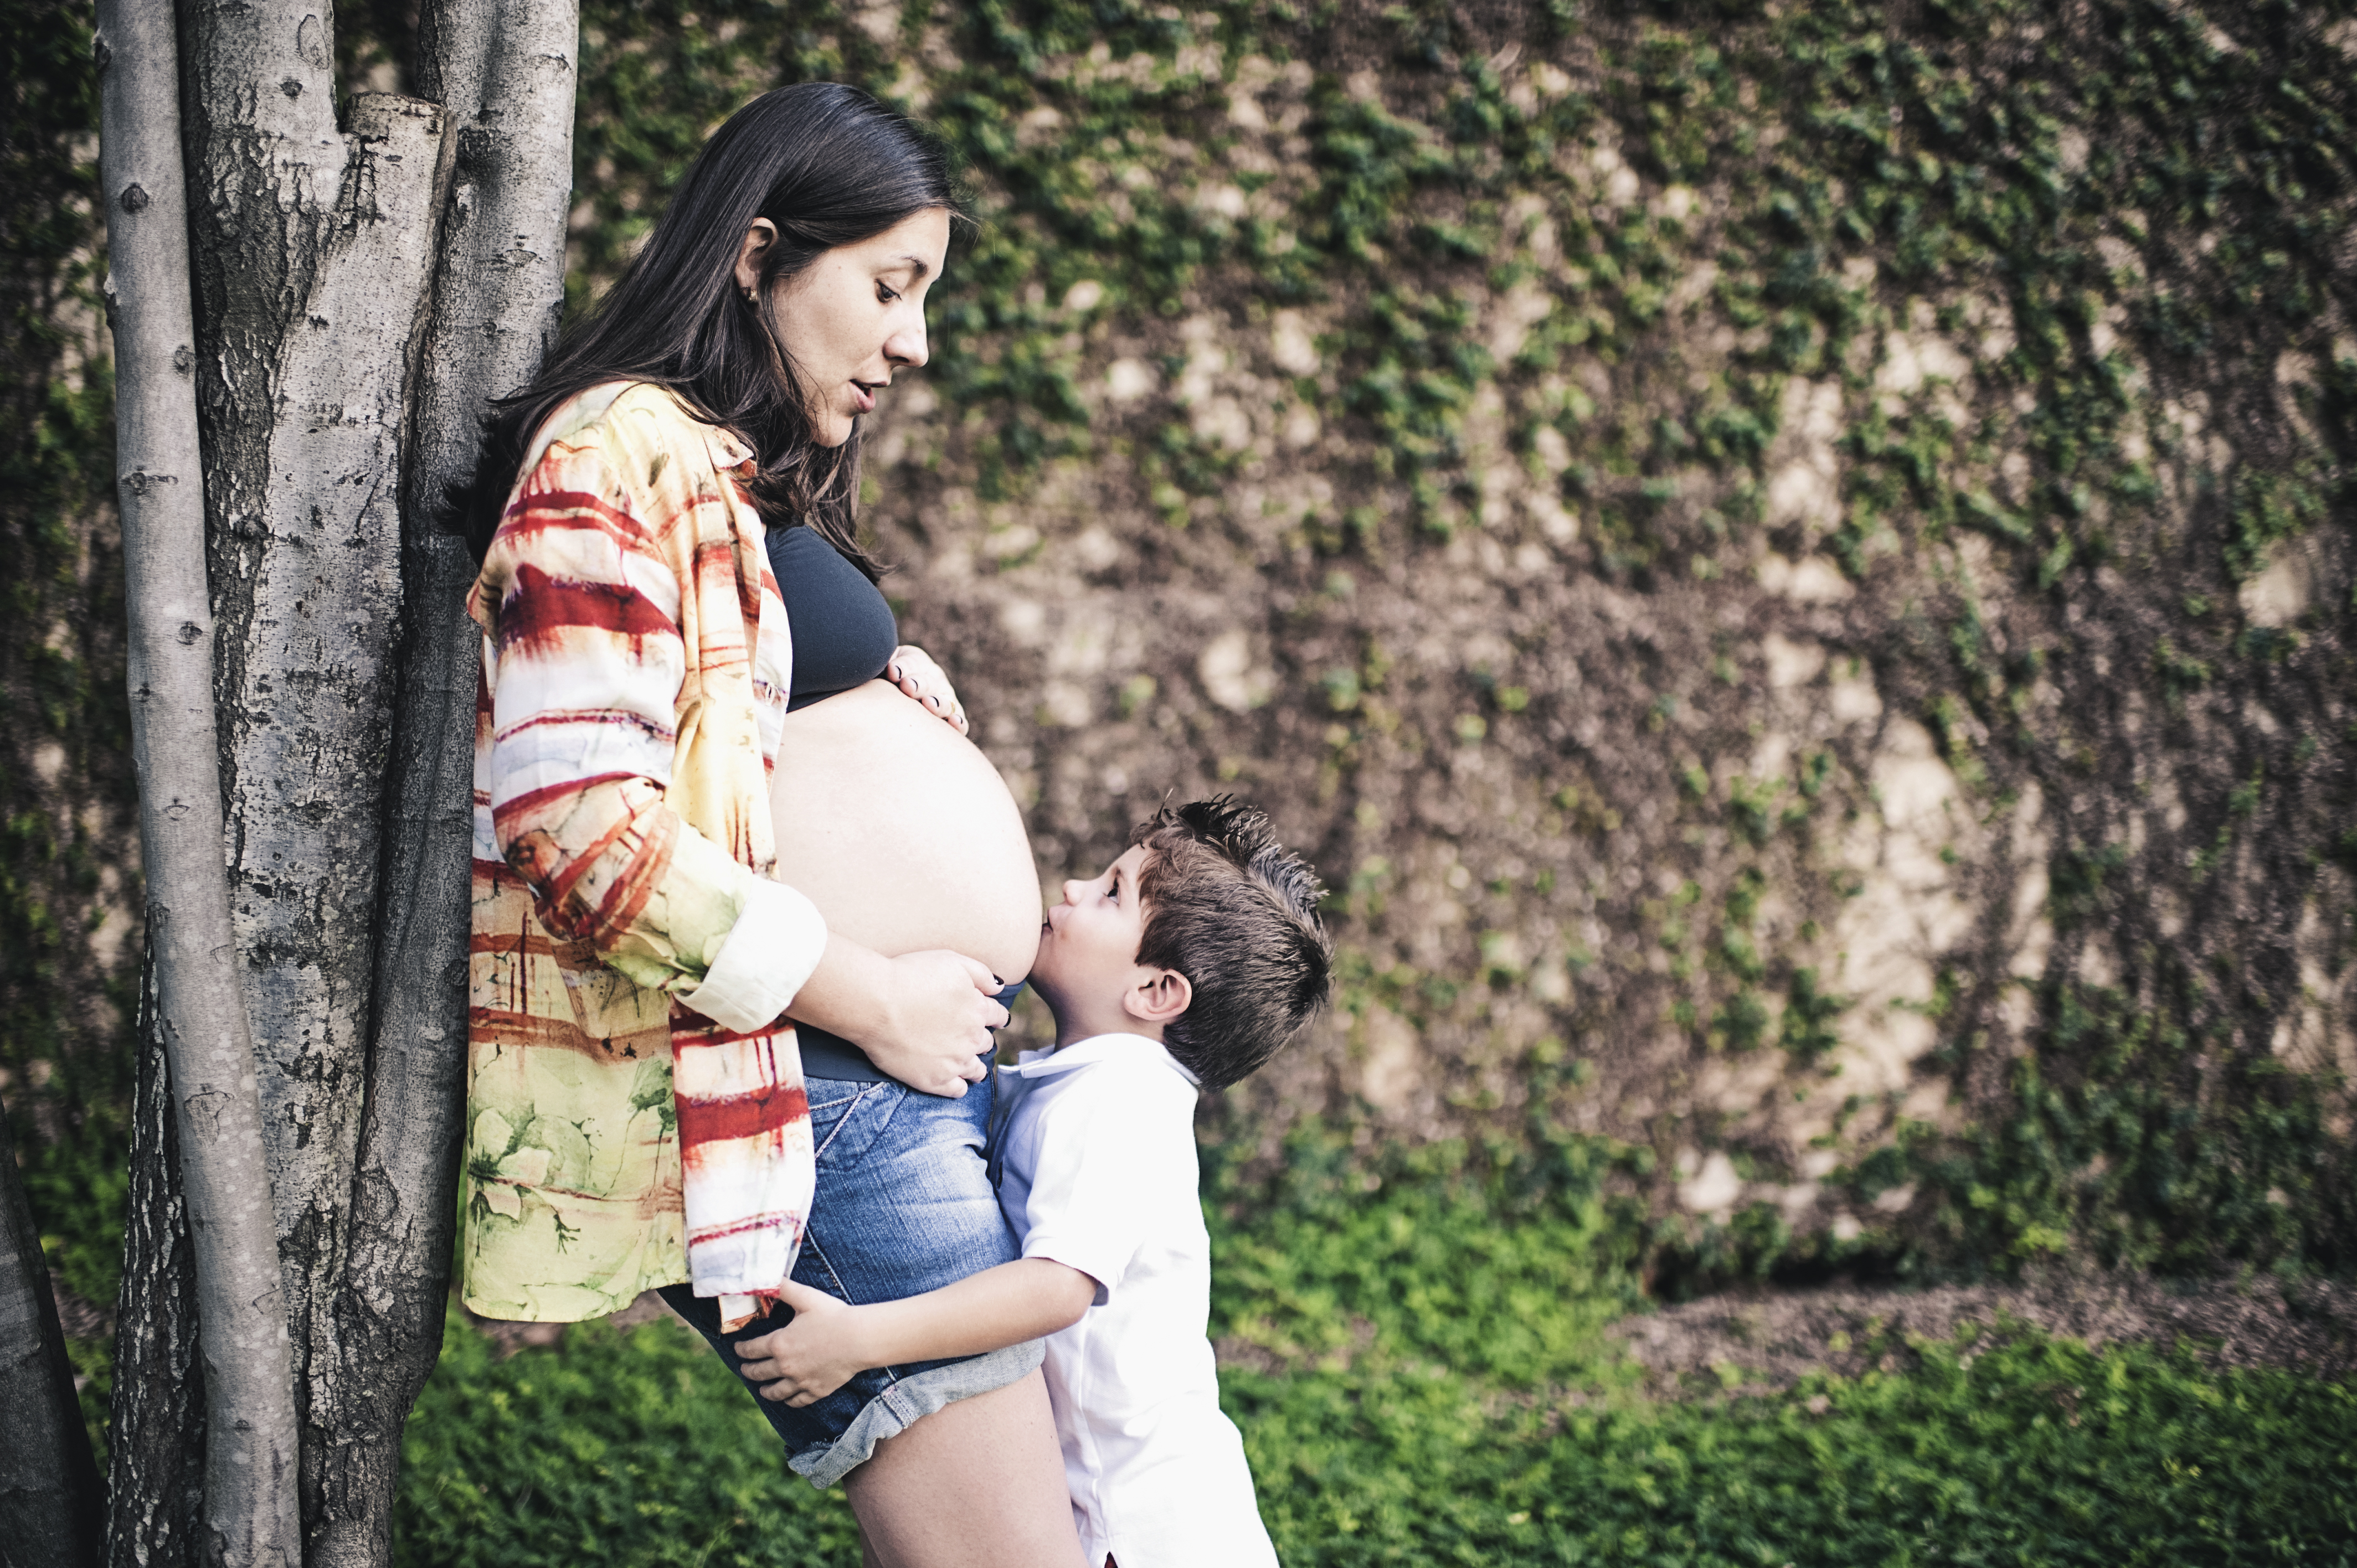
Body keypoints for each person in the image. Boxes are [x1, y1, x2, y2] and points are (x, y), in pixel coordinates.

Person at [455, 82, 1082, 1565]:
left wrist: (872, 673)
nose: (913, 342)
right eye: (890, 285)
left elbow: (717, 727)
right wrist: (869, 994)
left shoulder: (719, 461)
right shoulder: (613, 447)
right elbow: (577, 822)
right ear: (756, 256)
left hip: (867, 1083)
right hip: (813, 1087)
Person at [733, 800, 1334, 1568]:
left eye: (1112, 893)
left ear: (1157, 992)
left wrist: (861, 1341)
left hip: (1137, 1529)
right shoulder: (1099, 1084)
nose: (1075, 889)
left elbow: (1057, 1290)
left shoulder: (1118, 1101)